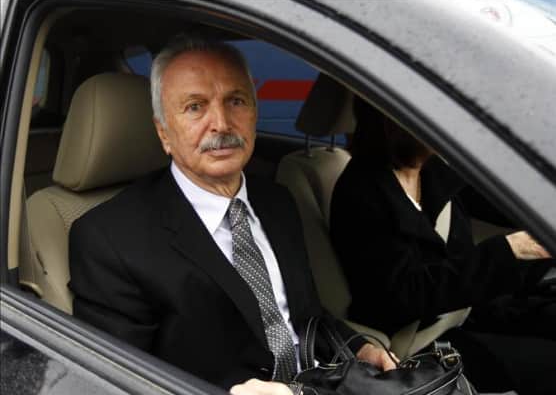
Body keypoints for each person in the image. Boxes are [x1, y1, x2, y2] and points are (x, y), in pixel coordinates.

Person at [68, 36, 395, 395]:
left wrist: (359, 348)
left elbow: (304, 315)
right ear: (164, 133)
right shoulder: (109, 239)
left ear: (254, 112)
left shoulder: (277, 200)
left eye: (236, 101)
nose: (221, 124)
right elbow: (116, 383)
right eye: (195, 107)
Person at [330, 96, 556, 394]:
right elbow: (400, 296)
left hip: (471, 312)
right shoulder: (361, 191)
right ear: (394, 119)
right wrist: (510, 251)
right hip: (422, 342)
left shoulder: (432, 171)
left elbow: (502, 204)